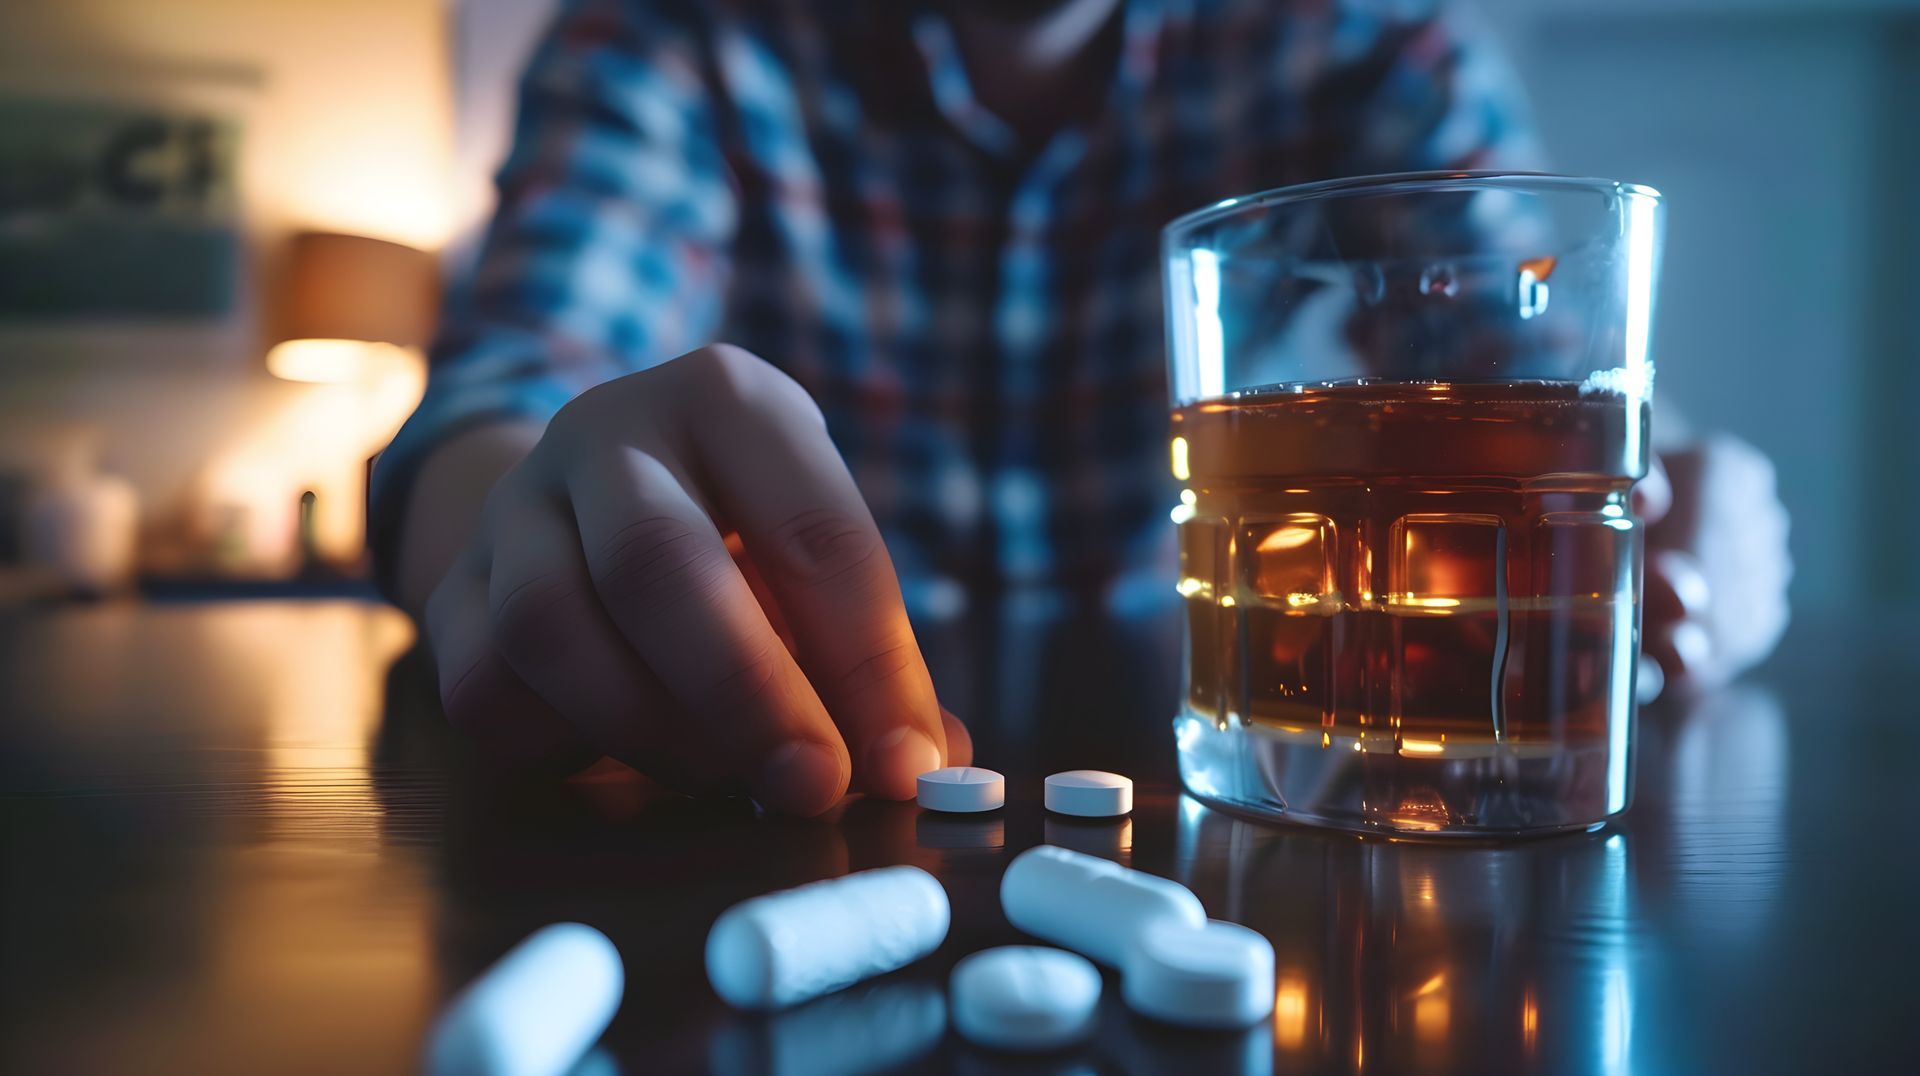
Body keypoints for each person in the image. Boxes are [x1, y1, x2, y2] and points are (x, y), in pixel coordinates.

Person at [372, 0, 1791, 816]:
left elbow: (1540, 377)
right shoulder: (671, 28)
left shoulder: (1360, 32)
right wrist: (523, 521)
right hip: (813, 765)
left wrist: (1686, 517)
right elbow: (511, 392)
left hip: (1236, 769)